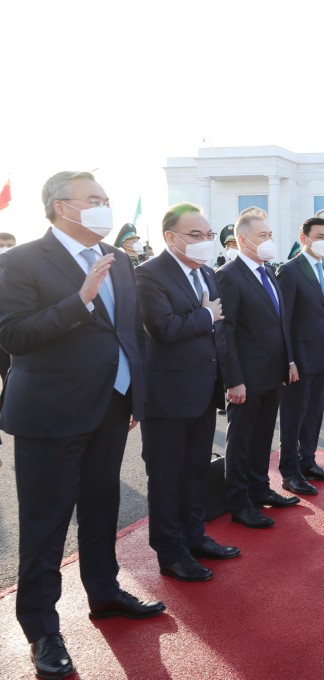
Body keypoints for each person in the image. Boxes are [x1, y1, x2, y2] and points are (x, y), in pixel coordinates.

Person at [0, 171, 165, 679]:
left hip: (111, 409)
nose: (103, 207)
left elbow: (129, 333)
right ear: (59, 207)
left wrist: (134, 394)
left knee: (101, 506)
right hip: (51, 414)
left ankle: (104, 591)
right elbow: (14, 335)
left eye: (106, 199)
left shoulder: (117, 260)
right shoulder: (19, 261)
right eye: (93, 199)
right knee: (46, 524)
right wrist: (79, 301)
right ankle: (42, 628)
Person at [135, 203, 240, 583]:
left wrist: (228, 378)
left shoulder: (207, 274)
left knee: (195, 470)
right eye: (195, 235)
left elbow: (220, 334)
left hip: (203, 392)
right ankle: (170, 551)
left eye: (208, 235)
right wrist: (206, 315)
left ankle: (196, 537)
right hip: (167, 396)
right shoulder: (149, 275)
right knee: (166, 475)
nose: (205, 242)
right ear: (171, 237)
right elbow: (162, 328)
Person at [216, 212, 300, 529]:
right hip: (246, 379)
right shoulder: (229, 275)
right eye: (262, 235)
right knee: (241, 441)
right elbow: (226, 332)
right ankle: (239, 502)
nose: (269, 240)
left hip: (272, 374)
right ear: (243, 239)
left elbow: (280, 324)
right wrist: (234, 380)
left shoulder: (268, 273)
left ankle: (260, 488)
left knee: (264, 435)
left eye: (269, 234)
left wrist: (288, 361)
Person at [276, 216, 324, 497]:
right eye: (319, 236)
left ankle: (308, 462)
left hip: (322, 357)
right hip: (298, 361)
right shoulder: (289, 271)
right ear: (304, 238)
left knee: (314, 413)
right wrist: (288, 360)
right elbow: (283, 321)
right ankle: (290, 471)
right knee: (294, 416)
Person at [0, 232, 15, 383]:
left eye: (9, 245)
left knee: (8, 376)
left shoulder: (19, 270)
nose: (5, 248)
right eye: (1, 245)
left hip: (8, 333)